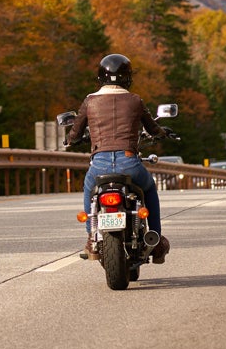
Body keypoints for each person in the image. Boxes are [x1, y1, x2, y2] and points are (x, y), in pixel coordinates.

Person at [64, 53, 174, 263]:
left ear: (100, 77)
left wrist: (70, 140)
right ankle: (156, 239)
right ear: (128, 77)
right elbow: (152, 127)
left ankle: (91, 238)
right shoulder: (135, 100)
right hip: (129, 162)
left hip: (99, 166)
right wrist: (162, 133)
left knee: (89, 189)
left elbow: (75, 132)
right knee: (149, 188)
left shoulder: (90, 101)